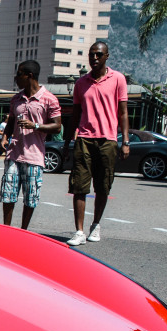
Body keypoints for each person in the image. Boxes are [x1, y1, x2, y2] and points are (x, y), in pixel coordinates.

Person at [68, 40, 128, 246]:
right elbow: (75, 114)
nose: (94, 58)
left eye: (99, 54)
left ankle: (95, 225)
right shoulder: (81, 83)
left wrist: (125, 141)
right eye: (91, 54)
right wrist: (69, 140)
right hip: (84, 138)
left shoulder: (118, 79)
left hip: (108, 140)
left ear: (106, 56)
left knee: (102, 186)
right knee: (79, 186)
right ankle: (79, 231)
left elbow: (123, 112)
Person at [0, 60, 61, 230]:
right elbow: (11, 121)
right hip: (14, 154)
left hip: (34, 156)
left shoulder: (49, 99)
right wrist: (4, 138)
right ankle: (7, 229)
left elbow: (57, 126)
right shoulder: (16, 99)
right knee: (8, 195)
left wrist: (36, 126)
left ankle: (23, 231)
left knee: (30, 197)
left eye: (19, 74)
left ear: (29, 76)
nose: (16, 78)